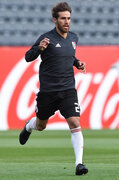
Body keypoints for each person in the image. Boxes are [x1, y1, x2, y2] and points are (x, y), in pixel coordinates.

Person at [19, 2, 88, 176]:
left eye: (69, 18)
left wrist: (77, 63)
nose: (67, 22)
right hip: (48, 92)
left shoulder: (73, 38)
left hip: (68, 91)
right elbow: (28, 57)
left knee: (75, 123)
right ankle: (29, 126)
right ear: (55, 20)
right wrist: (39, 48)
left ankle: (79, 164)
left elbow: (69, 56)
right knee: (41, 125)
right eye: (63, 18)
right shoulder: (46, 38)